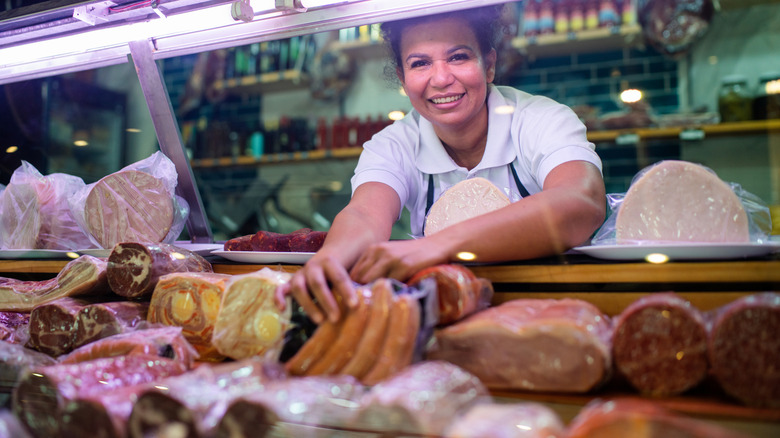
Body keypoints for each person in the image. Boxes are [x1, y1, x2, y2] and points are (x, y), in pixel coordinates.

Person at [277, 4, 606, 324]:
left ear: (488, 64)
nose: (441, 78)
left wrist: (437, 245)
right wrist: (331, 257)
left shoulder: (540, 119)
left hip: (560, 308)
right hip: (448, 317)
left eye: (458, 57)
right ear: (403, 80)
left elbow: (581, 201)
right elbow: (364, 214)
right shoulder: (394, 143)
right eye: (420, 63)